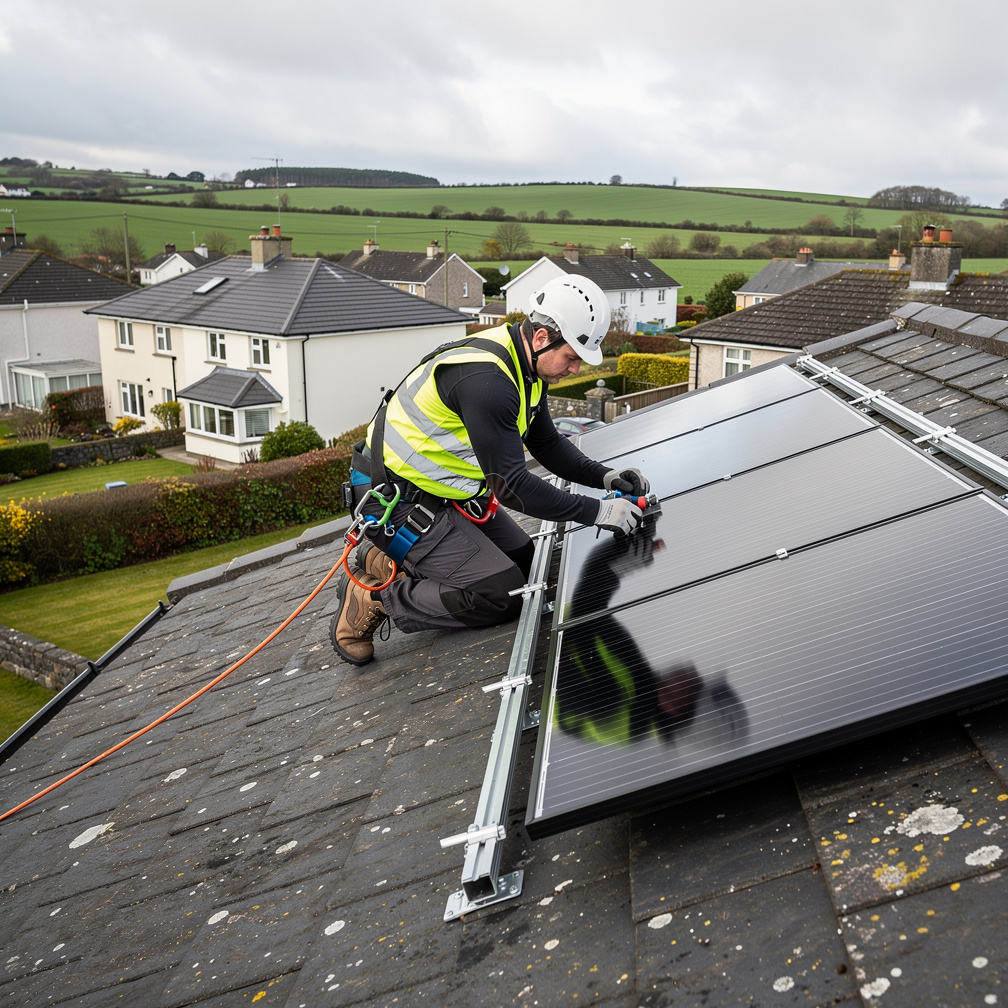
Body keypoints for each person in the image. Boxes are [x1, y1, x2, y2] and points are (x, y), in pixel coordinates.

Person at [331, 273, 651, 666]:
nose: (574, 371)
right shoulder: (488, 381)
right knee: (500, 594)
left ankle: (386, 562)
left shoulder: (526, 368)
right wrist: (598, 511)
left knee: (526, 562)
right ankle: (374, 598)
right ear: (541, 338)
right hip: (395, 502)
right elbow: (512, 485)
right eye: (571, 358)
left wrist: (606, 478)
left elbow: (546, 443)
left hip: (444, 494)